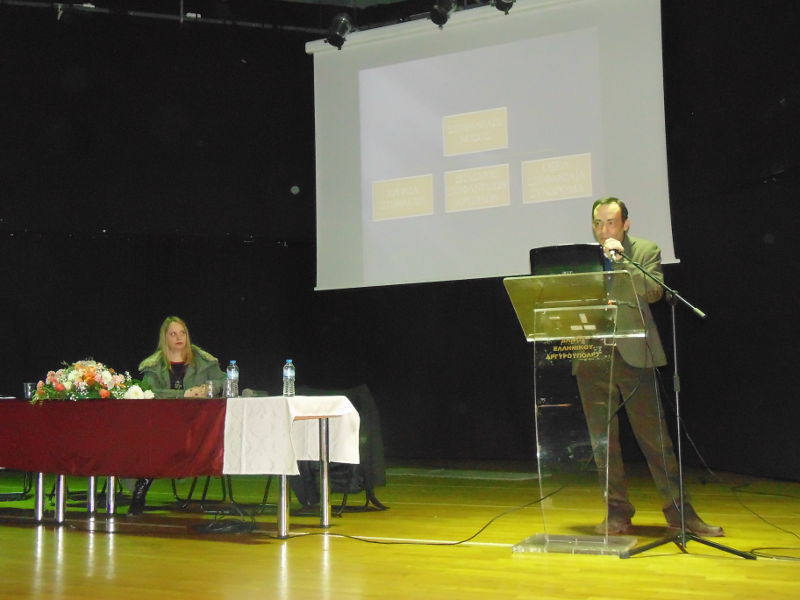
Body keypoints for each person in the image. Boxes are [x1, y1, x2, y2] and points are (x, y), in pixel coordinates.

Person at [574, 197, 723, 537]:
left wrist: (621, 261)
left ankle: (679, 512)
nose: (603, 230)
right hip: (592, 356)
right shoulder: (583, 258)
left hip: (635, 355)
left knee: (656, 440)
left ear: (625, 224)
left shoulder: (644, 251)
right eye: (598, 223)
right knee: (603, 444)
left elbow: (654, 291)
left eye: (610, 222)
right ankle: (616, 512)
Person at [127, 316, 226, 516]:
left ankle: (145, 482)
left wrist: (207, 388)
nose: (179, 338)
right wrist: (184, 394)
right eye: (173, 334)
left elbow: (224, 381)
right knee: (149, 440)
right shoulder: (154, 366)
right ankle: (141, 487)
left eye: (182, 333)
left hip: (196, 425)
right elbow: (150, 392)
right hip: (164, 425)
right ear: (165, 338)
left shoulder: (205, 362)